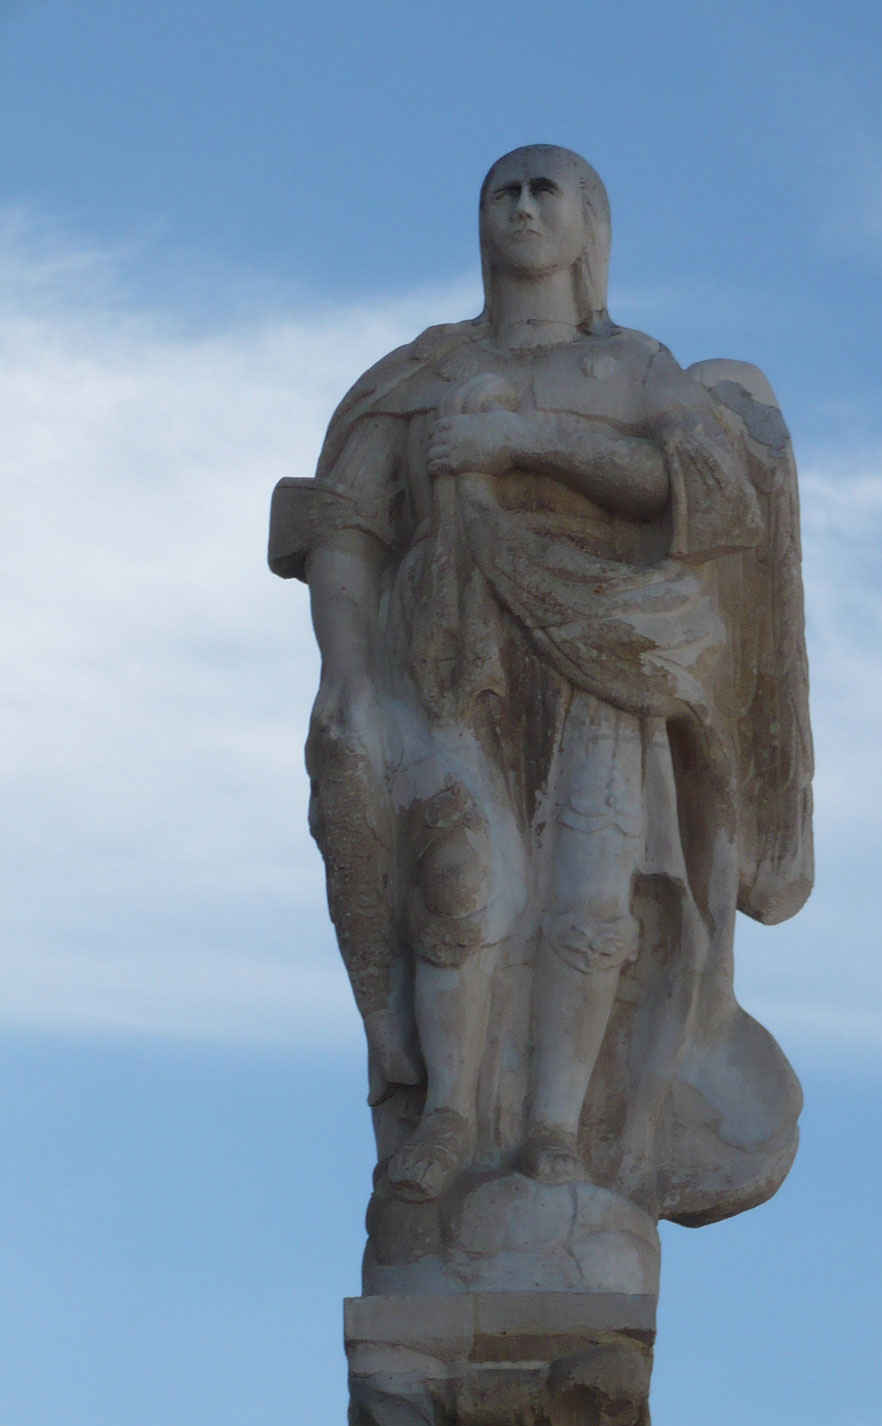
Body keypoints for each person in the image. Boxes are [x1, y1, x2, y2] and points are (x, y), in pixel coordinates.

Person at [269, 145, 812, 1224]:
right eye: (500, 192)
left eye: (542, 190)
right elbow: (344, 522)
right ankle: (448, 1115)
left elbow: (706, 490)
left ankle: (558, 1131)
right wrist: (344, 671)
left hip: (599, 653)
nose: (519, 207)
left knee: (589, 902)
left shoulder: (635, 369)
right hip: (447, 651)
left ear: (587, 225)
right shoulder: (420, 374)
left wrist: (526, 437)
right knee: (457, 882)